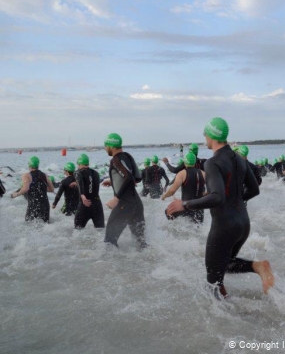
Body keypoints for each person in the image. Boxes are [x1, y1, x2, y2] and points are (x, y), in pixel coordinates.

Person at [166, 117, 274, 299]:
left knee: (211, 283)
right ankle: (251, 272)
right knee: (225, 266)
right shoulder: (239, 159)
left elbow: (217, 197)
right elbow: (254, 189)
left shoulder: (212, 163)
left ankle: (257, 268)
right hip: (243, 223)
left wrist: (184, 204)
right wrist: (234, 201)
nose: (205, 138)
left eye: (205, 134)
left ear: (211, 135)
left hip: (225, 226)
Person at [101, 133, 147, 248]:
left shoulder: (116, 160)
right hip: (137, 204)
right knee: (140, 244)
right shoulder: (128, 157)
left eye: (106, 146)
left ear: (111, 146)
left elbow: (129, 178)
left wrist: (116, 198)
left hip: (124, 204)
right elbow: (137, 178)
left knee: (109, 242)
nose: (105, 148)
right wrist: (113, 181)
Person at [162, 152, 206, 223]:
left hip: (186, 207)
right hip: (199, 210)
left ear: (185, 162)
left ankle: (173, 228)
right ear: (195, 162)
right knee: (197, 226)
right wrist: (204, 194)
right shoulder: (203, 173)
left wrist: (164, 196)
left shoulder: (182, 173)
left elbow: (172, 191)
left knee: (167, 212)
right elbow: (211, 191)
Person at [11, 156, 54, 222]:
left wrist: (16, 194)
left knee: (29, 225)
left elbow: (25, 188)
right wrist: (40, 188)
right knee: (45, 225)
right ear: (38, 165)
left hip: (34, 205)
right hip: (45, 205)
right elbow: (52, 189)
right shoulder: (44, 175)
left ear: (29, 165)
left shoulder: (26, 175)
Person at [74, 154, 105, 229]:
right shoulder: (96, 173)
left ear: (79, 164)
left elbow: (80, 182)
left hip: (85, 204)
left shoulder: (78, 172)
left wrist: (82, 195)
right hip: (97, 205)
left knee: (78, 230)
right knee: (100, 230)